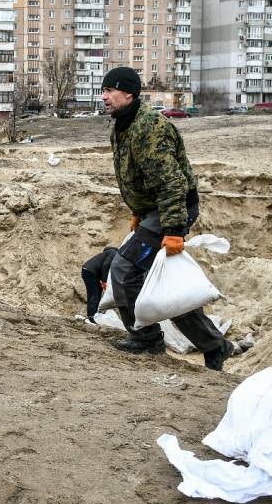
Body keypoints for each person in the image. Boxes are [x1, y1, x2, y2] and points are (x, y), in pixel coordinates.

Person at [101, 66, 231, 370]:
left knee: (123, 268)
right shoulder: (121, 125)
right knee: (162, 285)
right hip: (155, 209)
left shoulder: (149, 127)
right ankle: (215, 345)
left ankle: (146, 339)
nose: (104, 96)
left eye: (110, 90)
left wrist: (172, 229)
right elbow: (137, 175)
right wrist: (138, 212)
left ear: (129, 93)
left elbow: (171, 182)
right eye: (103, 90)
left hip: (172, 207)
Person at [81, 247, 118, 320]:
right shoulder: (114, 253)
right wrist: (104, 281)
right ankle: (91, 317)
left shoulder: (109, 253)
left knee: (97, 294)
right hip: (90, 272)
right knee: (94, 295)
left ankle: (94, 315)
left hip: (90, 272)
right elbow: (105, 265)